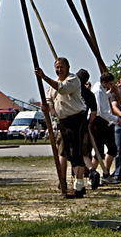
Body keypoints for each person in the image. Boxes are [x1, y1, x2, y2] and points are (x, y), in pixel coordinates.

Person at [34, 57, 89, 198]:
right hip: (63, 121)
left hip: (77, 118)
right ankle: (73, 184)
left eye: (61, 67)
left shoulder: (73, 80)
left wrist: (44, 77)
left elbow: (63, 90)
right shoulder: (52, 85)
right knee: (69, 153)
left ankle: (79, 187)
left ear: (68, 67)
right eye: (57, 67)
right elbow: (49, 101)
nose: (59, 70)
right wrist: (46, 107)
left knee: (76, 153)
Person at [92, 72, 120, 184]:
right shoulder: (98, 91)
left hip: (105, 123)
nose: (111, 85)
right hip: (98, 122)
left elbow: (105, 96)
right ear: (104, 82)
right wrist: (116, 118)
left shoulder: (102, 89)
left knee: (112, 148)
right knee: (99, 151)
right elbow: (101, 112)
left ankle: (106, 173)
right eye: (110, 84)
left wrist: (110, 92)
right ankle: (92, 174)